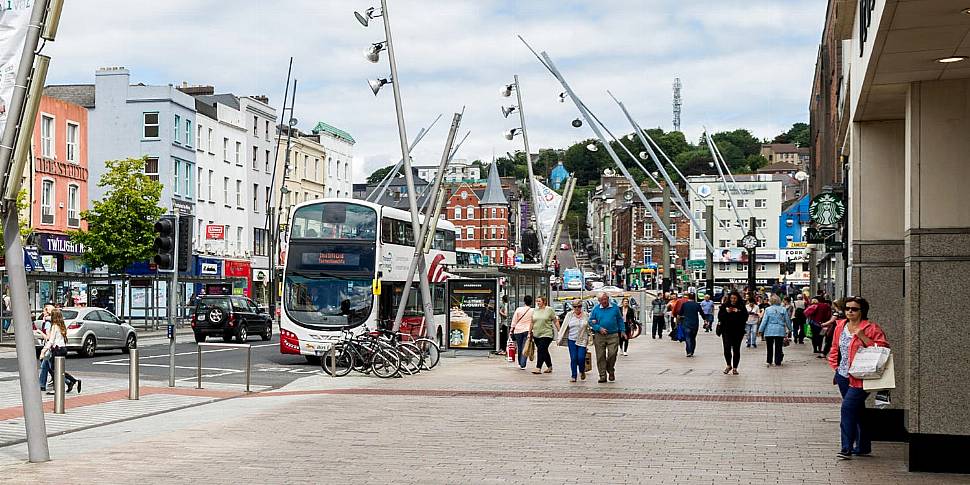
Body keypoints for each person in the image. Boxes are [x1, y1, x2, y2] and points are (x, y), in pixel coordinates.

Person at [827, 297, 888, 459]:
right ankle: (863, 446)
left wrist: (863, 337)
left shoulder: (871, 328)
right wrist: (835, 366)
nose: (850, 312)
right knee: (858, 410)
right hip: (843, 375)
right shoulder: (840, 326)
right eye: (847, 309)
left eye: (854, 309)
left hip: (862, 377)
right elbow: (835, 348)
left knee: (847, 409)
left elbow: (883, 349)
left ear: (862, 311)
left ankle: (846, 447)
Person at [38, 309, 80, 394]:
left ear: (54, 317)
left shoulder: (54, 326)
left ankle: (60, 387)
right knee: (58, 369)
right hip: (63, 349)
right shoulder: (62, 325)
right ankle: (73, 381)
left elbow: (51, 340)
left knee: (55, 370)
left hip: (56, 350)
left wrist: (43, 351)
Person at [588, 292, 625, 383]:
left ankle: (610, 369)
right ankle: (602, 375)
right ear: (599, 301)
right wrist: (599, 328)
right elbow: (591, 322)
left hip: (613, 334)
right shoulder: (596, 309)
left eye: (605, 299)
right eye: (602, 300)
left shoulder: (615, 307)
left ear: (608, 298)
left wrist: (622, 330)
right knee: (600, 356)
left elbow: (620, 319)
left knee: (612, 353)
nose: (604, 301)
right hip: (599, 335)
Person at [558, 300, 590, 382]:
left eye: (579, 306)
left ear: (581, 306)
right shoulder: (569, 315)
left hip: (582, 339)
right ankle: (574, 375)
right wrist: (559, 337)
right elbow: (564, 326)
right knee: (573, 358)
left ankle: (582, 371)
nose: (577, 308)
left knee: (581, 358)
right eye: (575, 307)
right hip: (571, 339)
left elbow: (589, 326)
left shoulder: (586, 315)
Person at [717, 291, 748, 375]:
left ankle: (735, 368)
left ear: (737, 298)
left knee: (736, 349)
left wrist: (738, 311)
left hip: (738, 331)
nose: (733, 300)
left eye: (734, 298)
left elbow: (745, 317)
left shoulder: (741, 307)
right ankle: (728, 365)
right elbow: (720, 317)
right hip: (726, 330)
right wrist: (727, 312)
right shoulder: (724, 306)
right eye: (731, 298)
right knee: (726, 348)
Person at [758, 294, 793, 367]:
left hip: (769, 330)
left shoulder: (767, 309)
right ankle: (777, 361)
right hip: (780, 330)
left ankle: (769, 361)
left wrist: (760, 330)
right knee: (778, 346)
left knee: (769, 346)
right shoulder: (783, 309)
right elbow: (787, 320)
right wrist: (790, 329)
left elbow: (764, 321)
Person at [528, 296, 559, 374]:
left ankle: (538, 367)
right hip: (536, 334)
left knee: (541, 349)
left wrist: (560, 330)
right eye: (537, 301)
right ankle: (549, 366)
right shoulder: (535, 310)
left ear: (544, 302)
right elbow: (532, 322)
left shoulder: (549, 310)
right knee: (544, 351)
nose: (538, 303)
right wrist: (529, 332)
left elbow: (555, 320)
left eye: (539, 301)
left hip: (547, 333)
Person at [509, 296, 534, 370]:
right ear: (531, 302)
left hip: (518, 330)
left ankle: (520, 363)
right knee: (525, 347)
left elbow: (514, 320)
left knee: (520, 347)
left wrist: (511, 329)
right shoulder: (533, 310)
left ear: (524, 301)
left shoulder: (518, 309)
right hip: (527, 330)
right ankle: (523, 363)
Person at [678, 293, 705, 357]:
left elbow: (680, 314)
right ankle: (692, 351)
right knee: (693, 338)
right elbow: (702, 313)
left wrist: (679, 320)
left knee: (687, 337)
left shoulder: (684, 305)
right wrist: (705, 320)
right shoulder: (697, 305)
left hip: (686, 323)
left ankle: (688, 351)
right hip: (695, 323)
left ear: (688, 297)